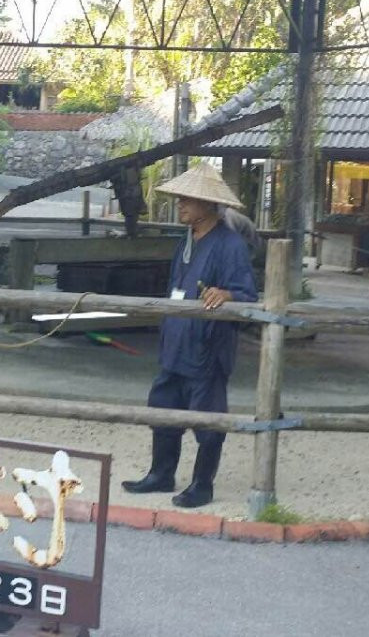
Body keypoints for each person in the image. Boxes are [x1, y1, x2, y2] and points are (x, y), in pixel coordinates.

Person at [121, 162, 258, 508]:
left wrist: (226, 294)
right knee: (163, 409)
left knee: (207, 419)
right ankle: (161, 473)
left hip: (207, 350)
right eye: (180, 198)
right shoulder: (185, 242)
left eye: (187, 200)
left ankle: (202, 484)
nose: (180, 204)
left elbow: (247, 295)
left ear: (208, 205)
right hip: (175, 346)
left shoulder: (230, 245)